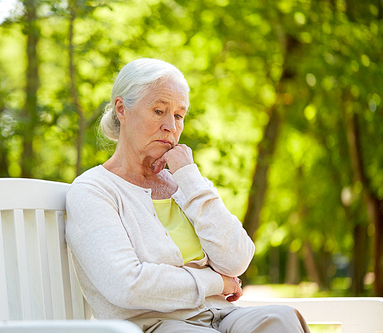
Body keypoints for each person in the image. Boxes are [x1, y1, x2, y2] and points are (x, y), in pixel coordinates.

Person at [65, 58, 310, 333]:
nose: (171, 126)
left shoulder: (185, 182)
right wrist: (217, 282)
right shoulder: (93, 190)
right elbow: (127, 285)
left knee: (281, 319)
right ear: (122, 109)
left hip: (222, 315)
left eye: (179, 115)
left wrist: (190, 178)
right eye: (159, 110)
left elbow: (237, 260)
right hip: (156, 325)